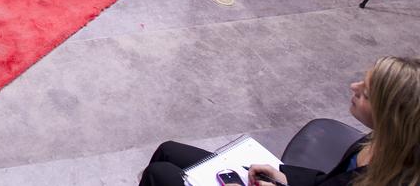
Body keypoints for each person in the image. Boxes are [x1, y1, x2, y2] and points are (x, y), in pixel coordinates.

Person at [137, 56, 420, 186]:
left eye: (366, 93)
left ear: (389, 115)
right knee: (169, 150)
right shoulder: (377, 141)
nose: (353, 87)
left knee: (160, 173)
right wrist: (285, 177)